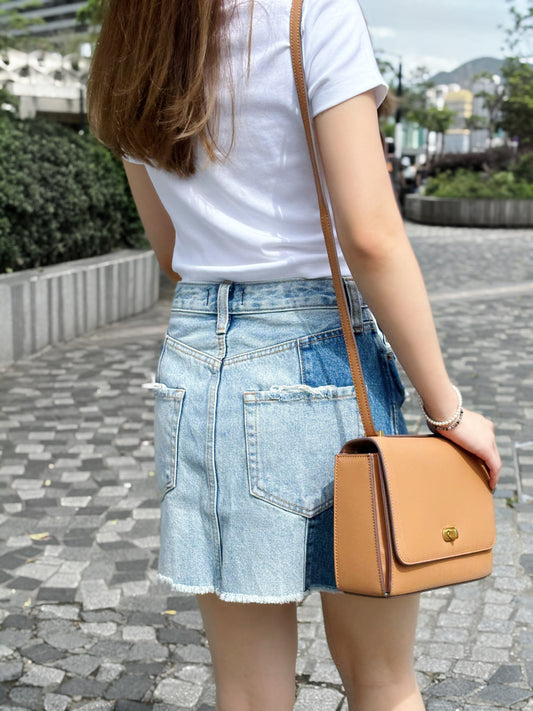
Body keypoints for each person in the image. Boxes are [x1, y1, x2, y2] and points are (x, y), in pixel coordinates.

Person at [87, 1, 501, 709]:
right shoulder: (310, 15)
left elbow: (172, 253)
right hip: (320, 353)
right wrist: (447, 406)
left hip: (198, 368)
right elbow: (370, 237)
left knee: (248, 693)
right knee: (380, 680)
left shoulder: (132, 36)